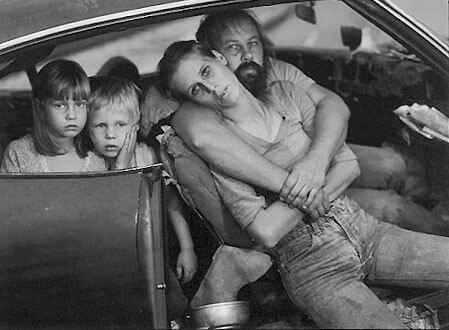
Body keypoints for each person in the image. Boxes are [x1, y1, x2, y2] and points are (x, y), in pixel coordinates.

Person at [158, 40, 449, 329]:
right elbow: (266, 231)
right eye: (197, 89)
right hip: (312, 265)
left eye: (206, 72)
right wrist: (312, 194)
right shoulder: (223, 151)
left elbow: (349, 165)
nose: (211, 88)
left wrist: (310, 172)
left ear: (220, 58)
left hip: (365, 228)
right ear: (193, 101)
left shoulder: (287, 94)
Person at [164, 10, 448, 235]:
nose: (249, 55)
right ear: (217, 56)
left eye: (253, 43)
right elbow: (200, 135)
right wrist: (303, 186)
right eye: (234, 47)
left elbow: (333, 104)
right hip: (289, 197)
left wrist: (316, 161)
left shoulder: (275, 71)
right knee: (391, 207)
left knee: (393, 163)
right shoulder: (203, 98)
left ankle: (429, 213)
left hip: (318, 163)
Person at [86, 76, 198, 287]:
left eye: (120, 124)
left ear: (135, 125)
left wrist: (187, 247)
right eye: (100, 125)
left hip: (155, 248)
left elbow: (171, 202)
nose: (110, 134)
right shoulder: (90, 163)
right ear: (87, 128)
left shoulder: (148, 156)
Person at [1, 59, 106, 173]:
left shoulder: (97, 153)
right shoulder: (19, 153)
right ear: (40, 108)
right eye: (60, 106)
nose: (71, 115)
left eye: (79, 104)